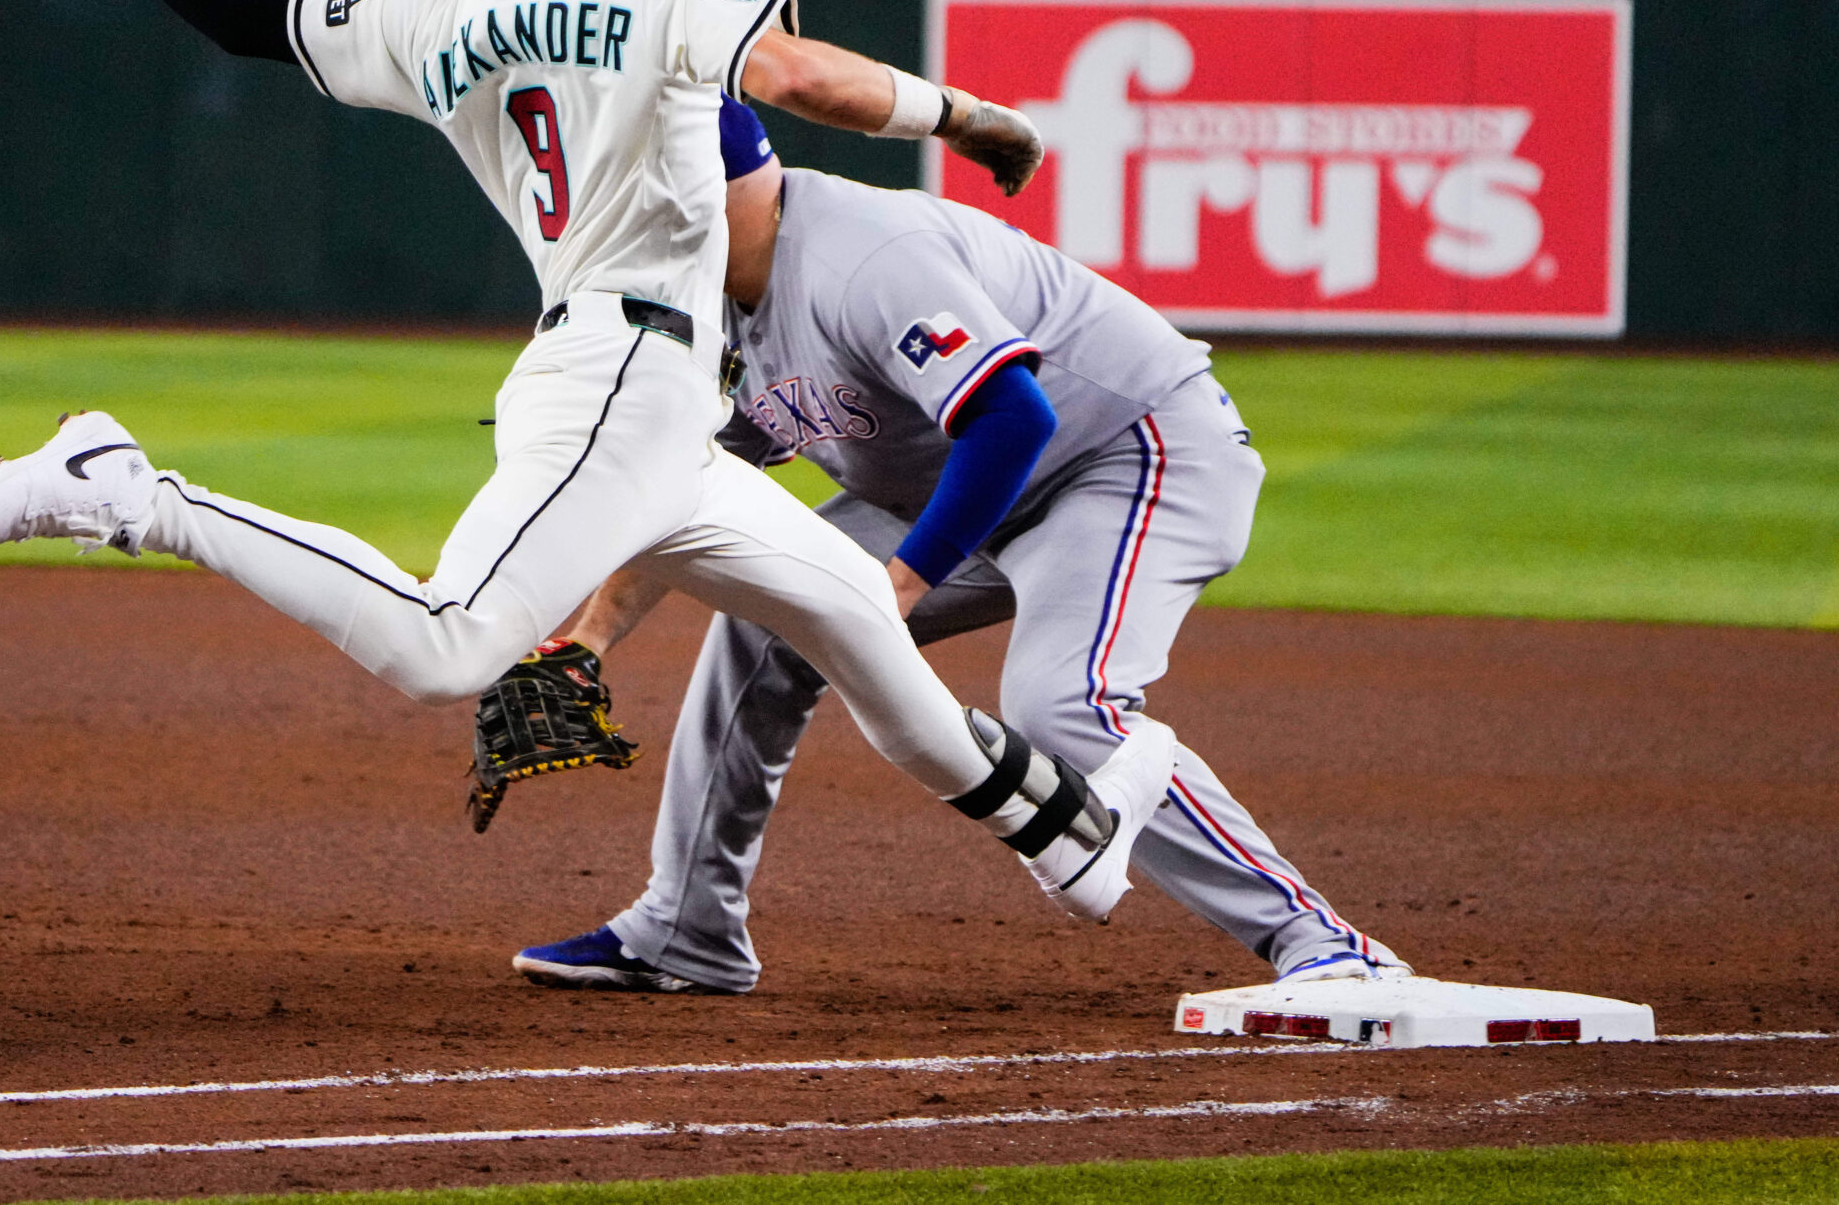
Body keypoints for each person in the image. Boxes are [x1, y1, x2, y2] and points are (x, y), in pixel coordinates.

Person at [0, 0, 1178, 921]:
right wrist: (967, 116)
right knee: (447, 648)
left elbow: (234, 8)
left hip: (656, 403)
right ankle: (133, 492)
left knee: (864, 627)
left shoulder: (434, 10)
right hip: (620, 383)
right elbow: (795, 76)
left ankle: (1070, 837)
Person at [504, 100, 1412, 993]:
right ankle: (686, 928)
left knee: (1061, 706)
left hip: (1129, 452)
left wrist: (887, 594)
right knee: (767, 611)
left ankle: (1323, 942)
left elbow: (1015, 419)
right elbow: (678, 482)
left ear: (719, 188)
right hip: (950, 485)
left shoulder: (861, 258)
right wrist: (587, 640)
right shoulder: (698, 306)